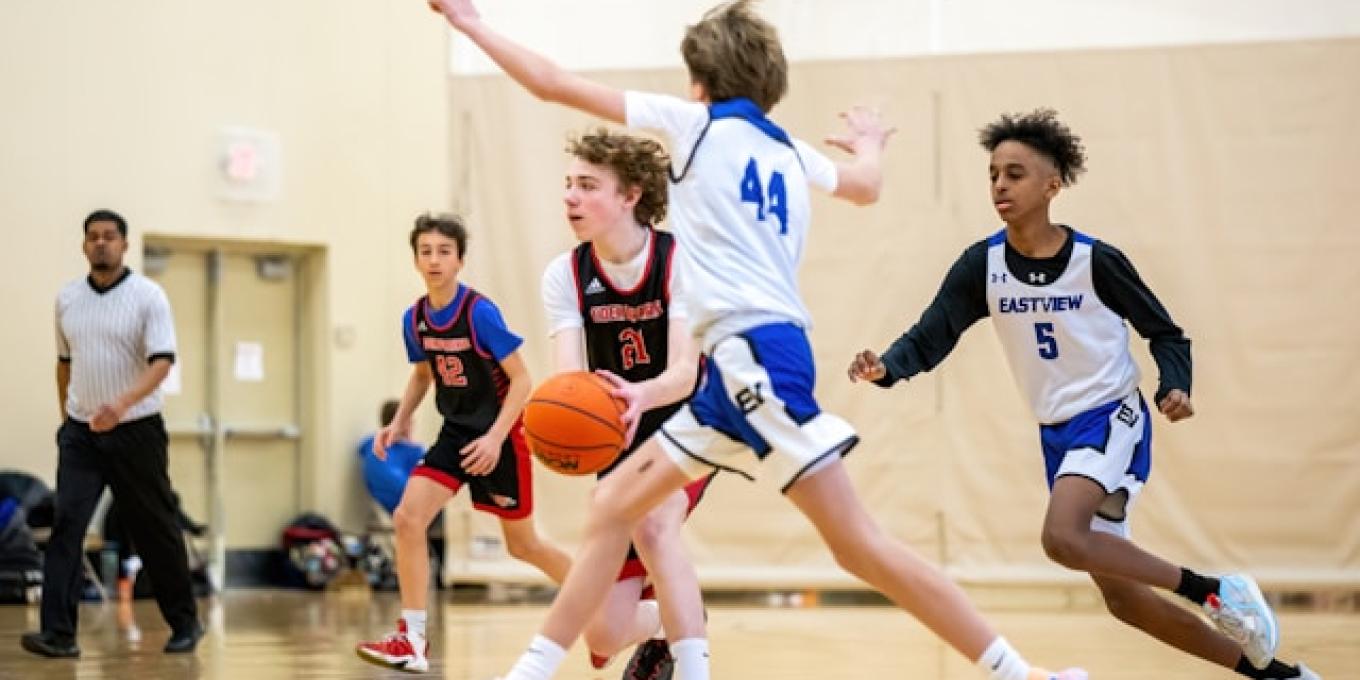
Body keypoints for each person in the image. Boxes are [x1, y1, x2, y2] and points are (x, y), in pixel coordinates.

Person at [429, 1, 1085, 679]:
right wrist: (870, 144)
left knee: (859, 547)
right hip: (739, 365)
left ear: (698, 82)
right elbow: (864, 188)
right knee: (613, 504)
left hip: (754, 357)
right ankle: (550, 671)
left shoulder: (694, 127)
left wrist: (472, 26)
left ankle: (1021, 674)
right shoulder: (785, 149)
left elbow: (550, 83)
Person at [848, 109, 1318, 680]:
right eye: (993, 173)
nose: (1000, 184)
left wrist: (1175, 385)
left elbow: (1165, 333)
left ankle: (1218, 591)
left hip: (1110, 414)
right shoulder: (983, 265)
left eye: (1015, 173)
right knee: (1123, 600)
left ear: (1053, 184)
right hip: (1059, 432)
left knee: (1062, 537)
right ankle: (1282, 677)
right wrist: (887, 367)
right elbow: (932, 333)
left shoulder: (1095, 261)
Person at [355, 214, 573, 673]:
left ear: (459, 260)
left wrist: (495, 438)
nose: (434, 260)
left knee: (524, 545)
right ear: (415, 258)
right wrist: (397, 422)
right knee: (408, 517)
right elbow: (421, 375)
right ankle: (412, 639)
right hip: (455, 433)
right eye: (426, 251)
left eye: (444, 252)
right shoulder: (414, 319)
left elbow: (522, 379)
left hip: (501, 432)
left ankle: (598, 597)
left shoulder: (478, 313)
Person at [542, 129, 715, 679]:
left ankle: (695, 670)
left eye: (587, 185)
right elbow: (569, 382)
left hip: (687, 419)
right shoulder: (564, 274)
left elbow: (684, 374)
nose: (570, 196)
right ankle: (670, 620)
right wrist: (559, 424)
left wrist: (640, 396)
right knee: (605, 634)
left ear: (631, 195)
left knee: (656, 525)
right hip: (620, 432)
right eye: (568, 184)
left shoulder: (679, 260)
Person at [22, 209, 202, 658]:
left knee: (155, 527)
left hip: (136, 431)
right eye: (93, 237)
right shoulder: (67, 300)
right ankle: (59, 634)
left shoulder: (148, 297)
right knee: (66, 526)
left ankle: (185, 622)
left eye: (110, 236)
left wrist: (119, 406)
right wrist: (70, 420)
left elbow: (162, 362)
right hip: (82, 436)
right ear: (84, 246)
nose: (101, 243)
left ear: (124, 245)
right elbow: (64, 364)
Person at [359, 399, 446, 588]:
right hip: (406, 506)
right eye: (408, 421)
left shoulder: (412, 450)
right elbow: (401, 488)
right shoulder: (379, 453)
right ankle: (442, 571)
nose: (412, 426)